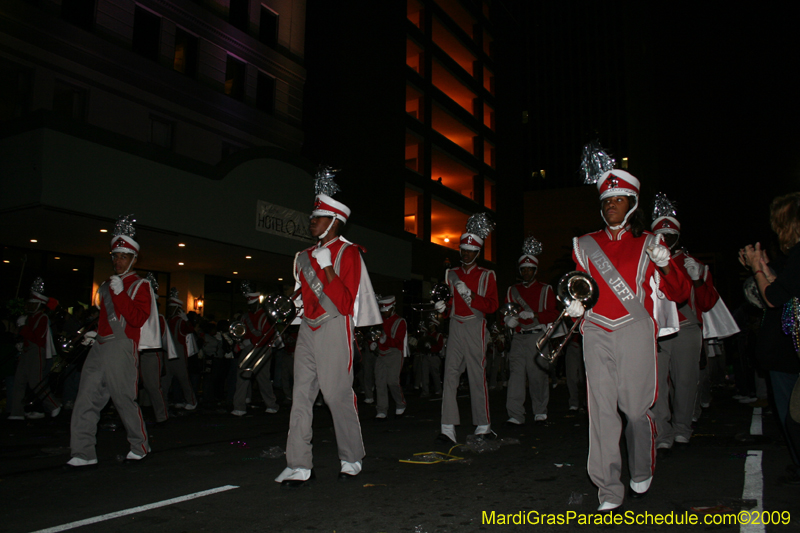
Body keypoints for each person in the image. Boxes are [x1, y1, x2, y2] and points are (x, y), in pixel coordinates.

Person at [567, 166, 690, 510]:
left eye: (619, 199)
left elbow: (680, 293)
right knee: (601, 412)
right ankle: (608, 488)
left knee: (635, 411)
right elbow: (581, 287)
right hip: (596, 329)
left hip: (635, 328)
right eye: (607, 200)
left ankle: (641, 466)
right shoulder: (584, 245)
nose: (611, 205)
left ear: (633, 204)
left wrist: (666, 264)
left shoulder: (650, 241)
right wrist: (576, 306)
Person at [275, 167, 381, 487]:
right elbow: (301, 297)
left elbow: (347, 303)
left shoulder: (349, 253)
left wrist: (327, 268)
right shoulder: (302, 256)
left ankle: (351, 458)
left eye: (318, 217)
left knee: (336, 395)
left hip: (335, 325)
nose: (312, 221)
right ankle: (298, 464)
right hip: (307, 329)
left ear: (334, 220)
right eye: (312, 216)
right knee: (301, 397)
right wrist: (286, 309)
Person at [68, 215, 160, 466]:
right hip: (101, 344)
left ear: (134, 259)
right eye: (115, 256)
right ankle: (83, 452)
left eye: (123, 257)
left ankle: (140, 445)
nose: (118, 261)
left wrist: (120, 294)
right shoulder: (107, 285)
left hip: (121, 346)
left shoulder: (140, 285)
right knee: (85, 398)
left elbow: (136, 319)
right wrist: (94, 333)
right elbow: (106, 317)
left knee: (123, 399)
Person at [649, 200, 720, 454]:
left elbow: (707, 303)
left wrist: (697, 279)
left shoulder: (694, 263)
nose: (666, 239)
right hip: (657, 331)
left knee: (686, 382)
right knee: (657, 384)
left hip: (687, 328)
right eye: (662, 235)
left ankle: (682, 428)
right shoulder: (645, 262)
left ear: (678, 236)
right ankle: (662, 431)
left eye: (671, 235)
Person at [740, 192, 800, 483]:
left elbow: (774, 297)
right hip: (790, 350)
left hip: (789, 352)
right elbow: (785, 288)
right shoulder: (794, 257)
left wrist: (756, 268)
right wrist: (763, 267)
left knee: (794, 417)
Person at [434, 213, 498, 444]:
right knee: (450, 374)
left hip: (474, 324)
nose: (466, 254)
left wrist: (471, 295)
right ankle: (447, 427)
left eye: (471, 251)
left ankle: (483, 424)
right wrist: (442, 307)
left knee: (476, 374)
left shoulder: (487, 275)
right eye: (463, 250)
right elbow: (448, 302)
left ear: (478, 252)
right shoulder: (451, 274)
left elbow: (492, 305)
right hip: (455, 324)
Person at [503, 236, 559, 426]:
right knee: (516, 377)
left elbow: (554, 314)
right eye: (523, 269)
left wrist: (534, 315)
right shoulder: (512, 290)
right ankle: (515, 414)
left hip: (537, 336)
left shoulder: (545, 289)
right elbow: (506, 311)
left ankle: (540, 411)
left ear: (535, 270)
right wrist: (508, 320)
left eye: (530, 269)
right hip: (518, 337)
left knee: (537, 376)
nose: (526, 272)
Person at [8, 278, 61, 420]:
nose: (29, 306)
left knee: (36, 383)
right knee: (19, 382)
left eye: (32, 304)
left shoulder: (42, 317)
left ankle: (54, 404)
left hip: (37, 352)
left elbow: (37, 337)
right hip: (27, 352)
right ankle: (17, 412)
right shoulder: (29, 317)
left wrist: (23, 327)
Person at [231, 283, 279, 416]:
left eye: (252, 305)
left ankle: (271, 404)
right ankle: (239, 406)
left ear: (257, 303)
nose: (250, 307)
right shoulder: (245, 316)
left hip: (262, 349)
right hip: (248, 348)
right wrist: (240, 342)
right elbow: (242, 331)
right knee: (242, 377)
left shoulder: (266, 315)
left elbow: (268, 335)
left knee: (263, 379)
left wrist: (250, 341)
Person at [138, 273, 173, 423]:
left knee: (153, 386)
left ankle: (161, 416)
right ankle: (142, 412)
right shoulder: (137, 316)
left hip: (151, 354)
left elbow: (163, 341)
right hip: (137, 354)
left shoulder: (159, 319)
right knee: (138, 386)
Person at [163, 289, 198, 410]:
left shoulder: (180, 321)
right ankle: (163, 404)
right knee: (165, 382)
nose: (169, 310)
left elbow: (190, 330)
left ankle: (192, 402)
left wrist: (186, 320)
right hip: (168, 354)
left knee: (184, 380)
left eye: (172, 307)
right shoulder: (167, 320)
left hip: (178, 356)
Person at [373, 296, 407, 419]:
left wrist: (385, 340)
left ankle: (400, 403)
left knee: (392, 381)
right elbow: (374, 334)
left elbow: (399, 342)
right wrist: (373, 342)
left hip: (394, 354)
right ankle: (382, 409)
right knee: (379, 383)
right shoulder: (380, 320)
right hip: (381, 354)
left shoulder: (400, 321)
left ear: (392, 308)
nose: (384, 313)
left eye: (386, 310)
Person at [419, 317, 444, 397]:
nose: (430, 326)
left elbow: (439, 347)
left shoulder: (438, 335)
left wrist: (431, 347)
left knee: (435, 375)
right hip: (426, 356)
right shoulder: (427, 335)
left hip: (434, 356)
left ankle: (438, 390)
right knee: (424, 375)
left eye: (431, 324)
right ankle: (425, 391)